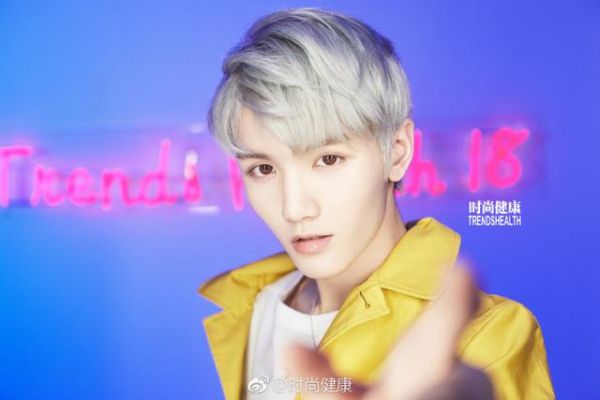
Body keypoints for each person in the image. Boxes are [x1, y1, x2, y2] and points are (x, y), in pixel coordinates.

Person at [198, 7, 554, 399]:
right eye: (263, 169)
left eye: (328, 159)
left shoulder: (488, 336)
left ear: (397, 151)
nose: (294, 208)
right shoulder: (254, 306)